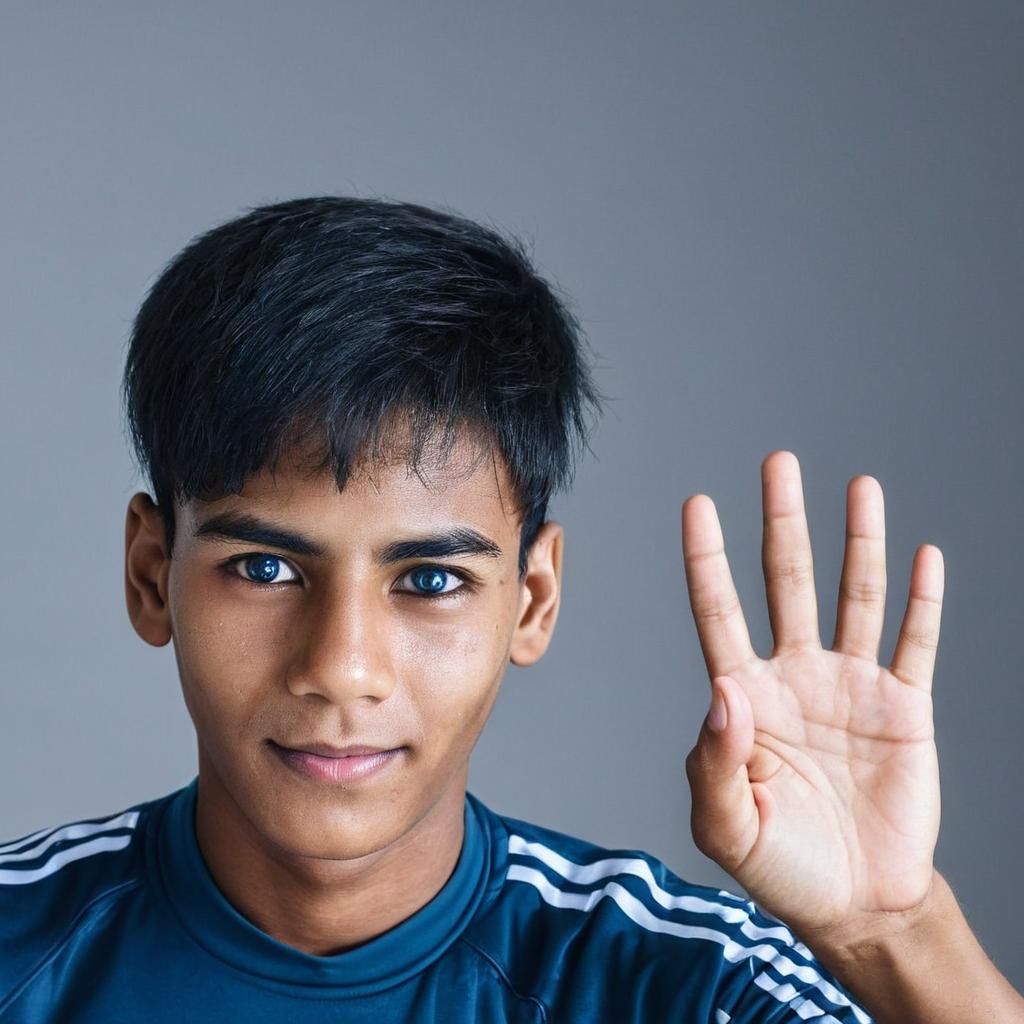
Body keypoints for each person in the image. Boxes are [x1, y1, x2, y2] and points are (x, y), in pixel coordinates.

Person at [0, 196, 1019, 1023]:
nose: (343, 666)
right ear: (150, 573)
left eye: (430, 580)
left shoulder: (684, 987)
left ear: (531, 600)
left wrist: (893, 930)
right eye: (266, 568)